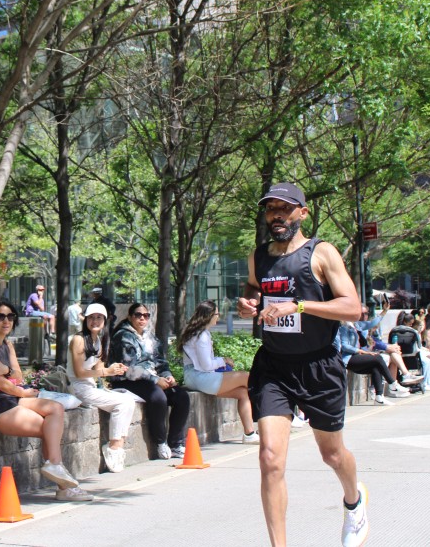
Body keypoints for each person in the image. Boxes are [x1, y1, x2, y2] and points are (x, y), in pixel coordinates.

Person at [237, 182, 367, 547]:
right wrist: (248, 302)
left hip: (318, 365)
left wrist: (299, 306)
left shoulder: (321, 253)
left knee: (333, 454)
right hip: (274, 367)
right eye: (271, 209)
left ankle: (354, 502)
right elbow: (252, 287)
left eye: (285, 208)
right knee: (270, 459)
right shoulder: (258, 256)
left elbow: (352, 308)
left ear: (302, 213)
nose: (276, 215)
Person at [0, 299, 91, 501]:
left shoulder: (7, 344)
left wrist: (6, 369)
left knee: (55, 408)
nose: (6, 321)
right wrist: (22, 392)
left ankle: (57, 470)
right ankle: (63, 486)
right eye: (0, 316)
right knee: (48, 429)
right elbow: (2, 383)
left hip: (11, 395)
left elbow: (18, 376)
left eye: (10, 316)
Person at [109, 302, 191, 460]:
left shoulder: (150, 337)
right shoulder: (123, 336)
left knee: (181, 396)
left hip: (151, 379)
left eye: (146, 316)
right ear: (130, 317)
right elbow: (129, 368)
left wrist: (167, 375)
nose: (142, 318)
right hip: (127, 380)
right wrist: (155, 380)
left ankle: (176, 444)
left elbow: (160, 361)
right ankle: (160, 442)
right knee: (158, 397)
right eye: (138, 315)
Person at [66, 303, 135, 472]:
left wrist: (113, 368)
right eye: (91, 317)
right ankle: (114, 448)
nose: (95, 321)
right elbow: (79, 373)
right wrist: (106, 372)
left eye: (99, 317)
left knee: (129, 400)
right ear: (85, 320)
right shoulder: (78, 339)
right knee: (124, 402)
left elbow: (98, 369)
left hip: (90, 387)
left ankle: (117, 446)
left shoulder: (99, 340)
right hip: (78, 388)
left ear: (105, 320)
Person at [176, 299, 257, 443]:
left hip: (194, 377)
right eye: (217, 314)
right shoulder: (202, 336)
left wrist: (220, 361)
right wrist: (223, 361)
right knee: (247, 377)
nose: (218, 317)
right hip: (201, 377)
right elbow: (207, 365)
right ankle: (268, 415)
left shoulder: (197, 333)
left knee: (243, 393)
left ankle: (249, 434)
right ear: (209, 316)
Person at [335, 321, 406, 405]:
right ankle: (392, 384)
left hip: (357, 356)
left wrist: (383, 312)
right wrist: (362, 351)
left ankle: (379, 397)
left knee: (375, 366)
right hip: (348, 358)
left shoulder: (356, 326)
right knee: (378, 358)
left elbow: (372, 324)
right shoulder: (344, 327)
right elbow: (344, 346)